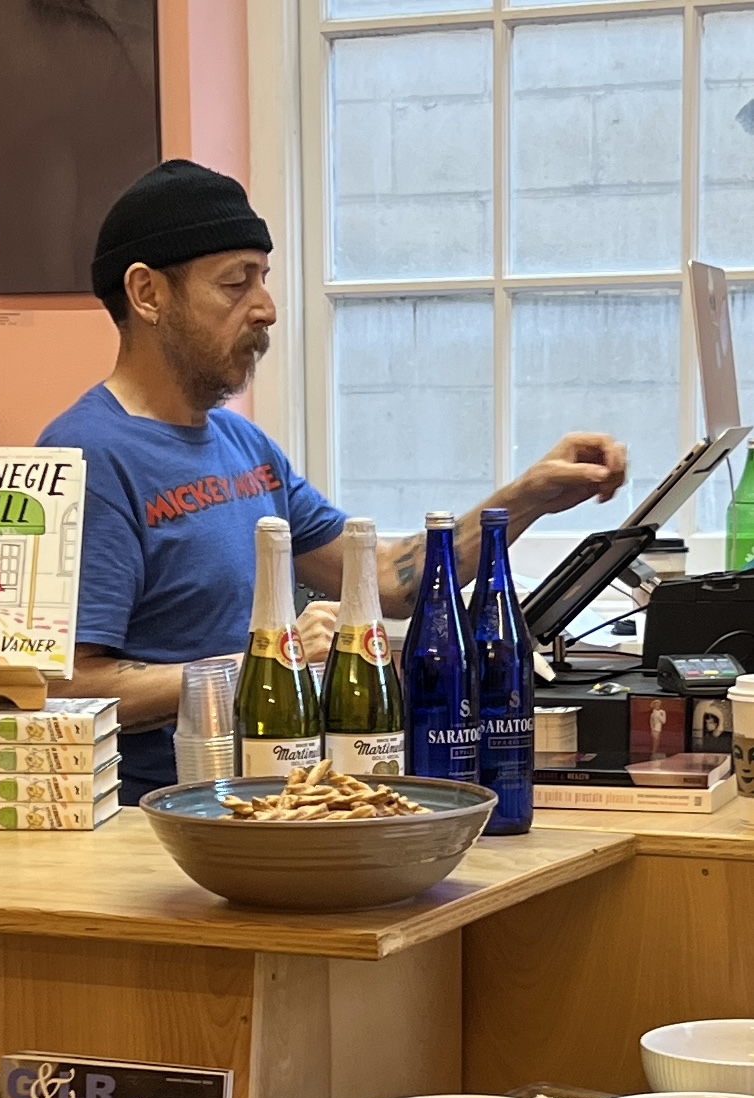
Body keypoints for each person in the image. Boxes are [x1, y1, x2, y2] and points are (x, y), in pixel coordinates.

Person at [45, 160, 631, 802]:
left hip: (276, 802)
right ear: (148, 294)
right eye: (235, 284)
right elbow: (67, 687)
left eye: (263, 280)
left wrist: (528, 499)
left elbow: (382, 580)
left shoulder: (243, 444)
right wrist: (271, 663)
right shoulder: (87, 458)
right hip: (160, 821)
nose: (265, 308)